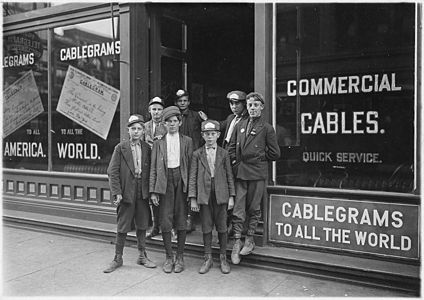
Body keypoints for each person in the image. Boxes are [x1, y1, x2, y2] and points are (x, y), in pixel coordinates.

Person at [228, 92, 280, 265]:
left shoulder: (267, 128)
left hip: (257, 173)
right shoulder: (240, 124)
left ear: (262, 107)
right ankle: (237, 241)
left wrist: (258, 157)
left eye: (255, 105)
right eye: (250, 105)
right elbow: (230, 148)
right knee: (238, 207)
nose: (252, 108)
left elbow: (275, 153)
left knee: (254, 207)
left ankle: (249, 239)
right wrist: (235, 164)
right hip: (241, 172)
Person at [104, 114, 156, 273]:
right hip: (126, 190)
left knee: (142, 224)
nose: (136, 132)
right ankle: (117, 258)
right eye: (133, 129)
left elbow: (152, 171)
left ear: (143, 131)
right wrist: (117, 193)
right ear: (128, 131)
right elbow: (112, 172)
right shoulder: (120, 148)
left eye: (139, 129)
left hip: (142, 191)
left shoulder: (147, 148)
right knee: (123, 225)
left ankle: (142, 255)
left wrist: (152, 191)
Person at [149, 106, 194, 273]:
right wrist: (153, 191)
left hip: (181, 181)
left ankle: (180, 256)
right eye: (168, 122)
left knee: (182, 219)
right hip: (165, 181)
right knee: (166, 220)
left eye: (175, 121)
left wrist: (191, 191)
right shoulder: (158, 142)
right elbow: (153, 168)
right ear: (164, 124)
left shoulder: (187, 141)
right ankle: (169, 256)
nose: (172, 124)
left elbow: (191, 167)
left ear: (180, 123)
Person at [189, 120, 235, 274]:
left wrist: (231, 197)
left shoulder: (224, 153)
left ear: (218, 135)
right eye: (207, 134)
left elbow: (229, 176)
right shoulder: (197, 154)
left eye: (213, 134)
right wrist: (193, 198)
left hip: (221, 195)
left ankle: (223, 258)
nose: (210, 137)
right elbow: (193, 177)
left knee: (222, 227)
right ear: (202, 135)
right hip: (204, 195)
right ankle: (207, 257)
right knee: (206, 227)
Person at [174, 89, 208, 233]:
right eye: (180, 101)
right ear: (176, 103)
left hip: (194, 156)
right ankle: (181, 218)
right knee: (181, 187)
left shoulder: (196, 116)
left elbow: (207, 131)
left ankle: (191, 218)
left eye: (185, 101)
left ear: (189, 102)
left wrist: (206, 120)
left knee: (192, 186)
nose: (183, 103)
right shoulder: (174, 117)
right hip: (178, 155)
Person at [219, 90, 249, 237]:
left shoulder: (247, 120)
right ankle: (226, 226)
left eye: (237, 103)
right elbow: (220, 126)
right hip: (226, 160)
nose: (234, 106)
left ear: (244, 104)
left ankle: (236, 228)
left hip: (237, 162)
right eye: (231, 103)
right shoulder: (231, 118)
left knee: (238, 195)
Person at [144, 96, 167, 238]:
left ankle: (167, 227)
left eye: (159, 109)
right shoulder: (144, 126)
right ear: (149, 110)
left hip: (162, 165)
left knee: (164, 196)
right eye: (154, 109)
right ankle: (155, 226)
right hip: (148, 165)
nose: (156, 112)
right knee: (151, 196)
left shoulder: (167, 126)